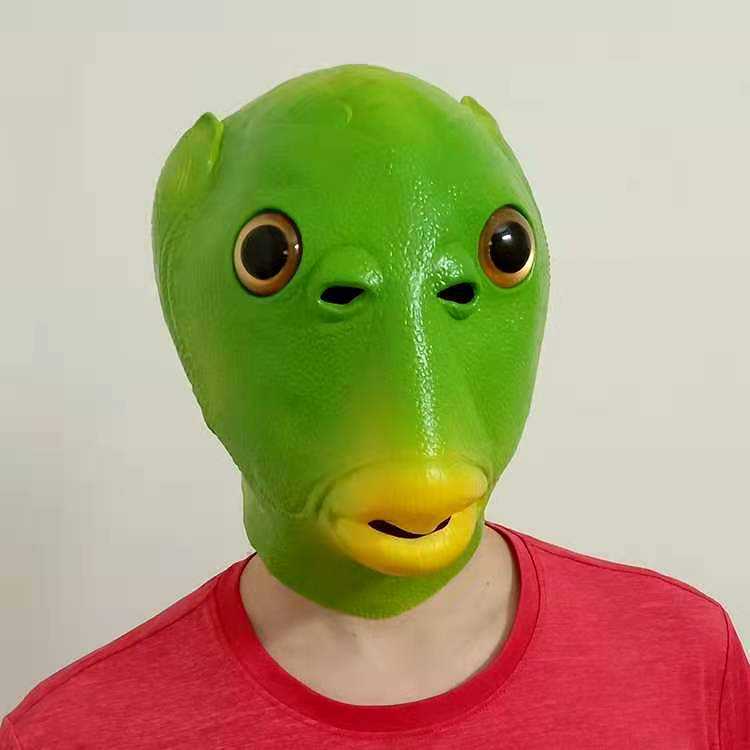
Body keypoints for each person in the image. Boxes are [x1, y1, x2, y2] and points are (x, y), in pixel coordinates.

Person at [2, 64, 748, 749]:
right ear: (190, 327)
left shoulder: (688, 660)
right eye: (268, 260)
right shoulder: (69, 734)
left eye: (504, 251)